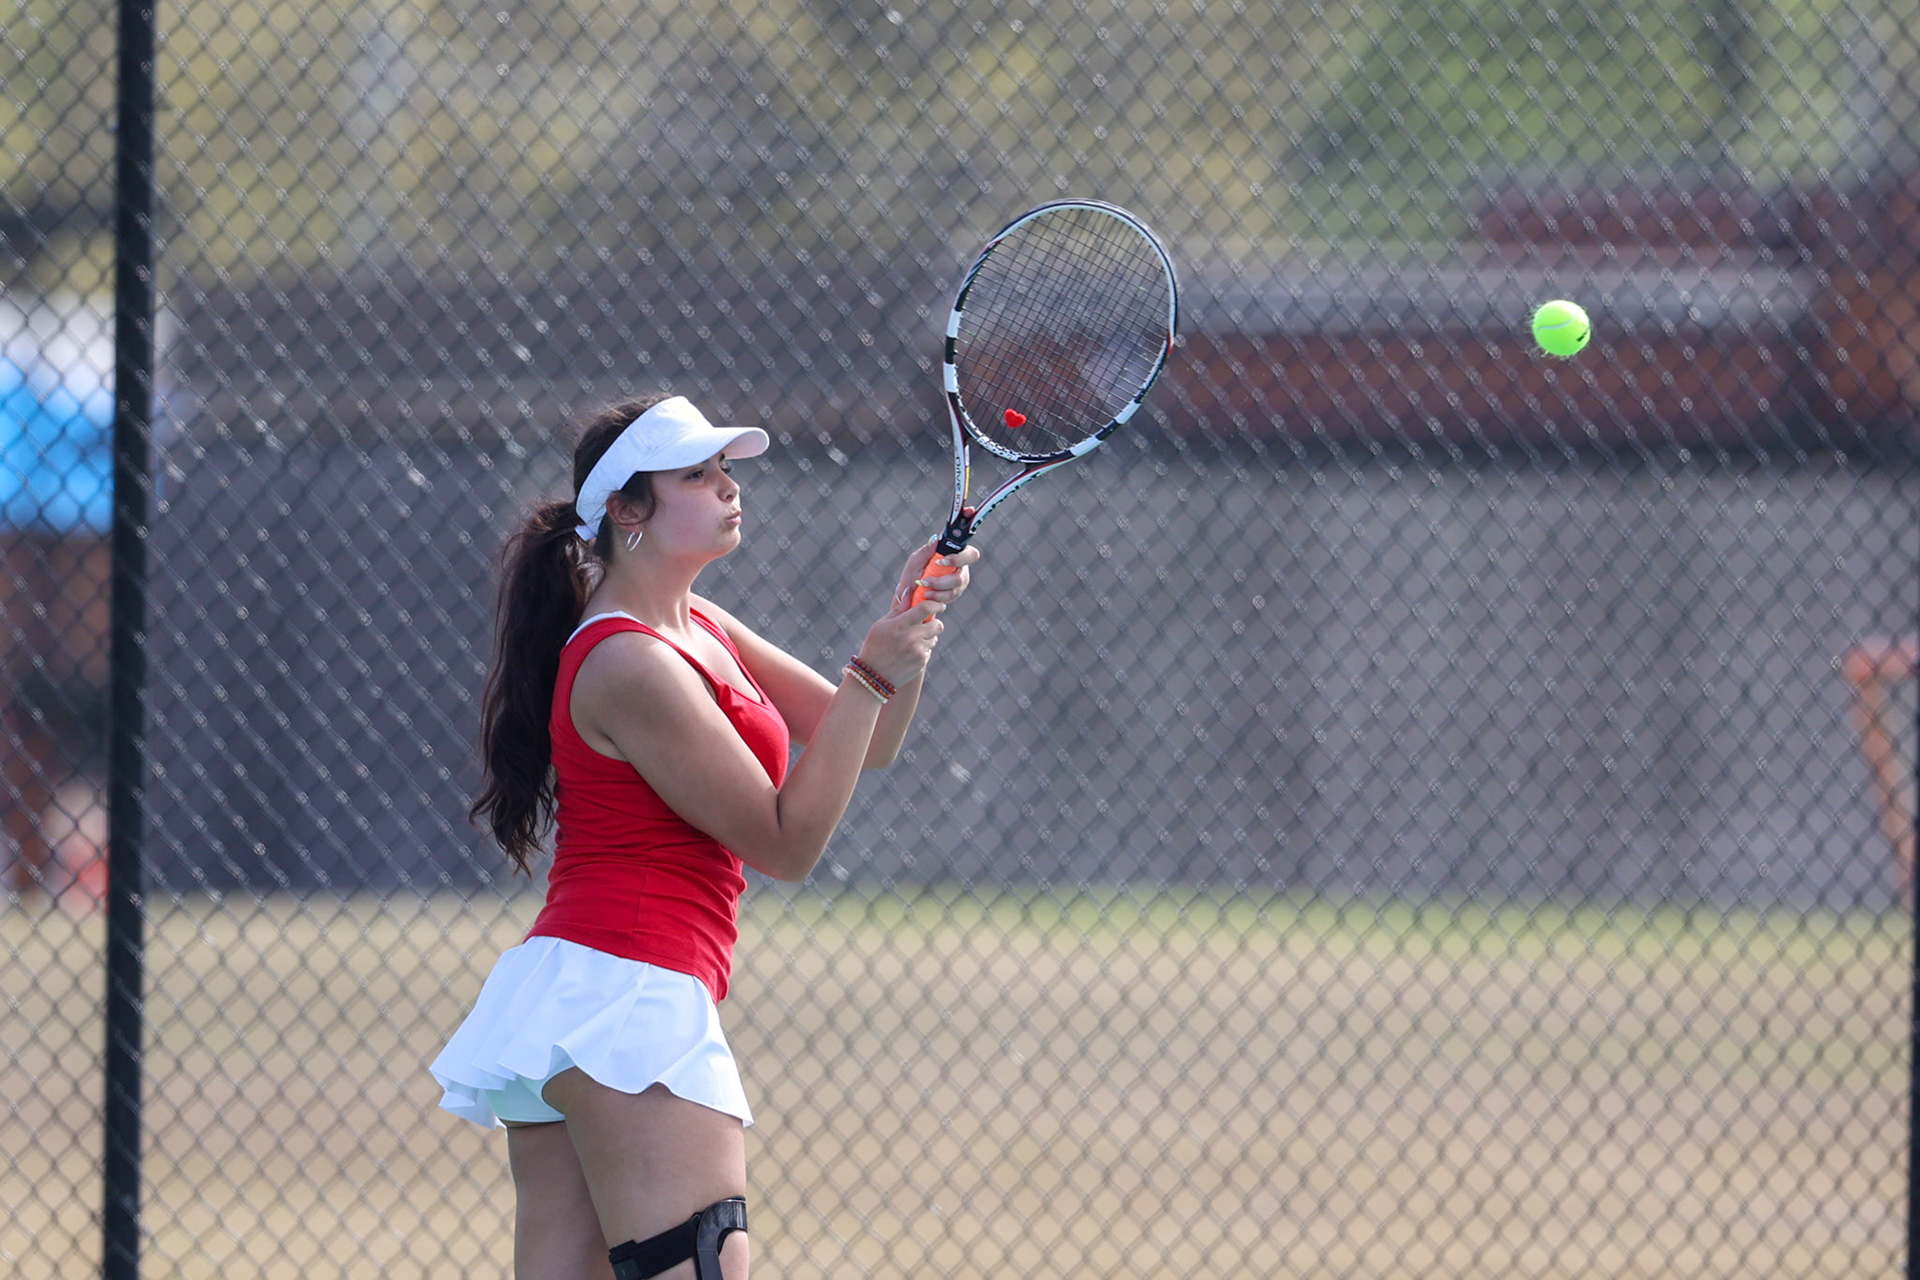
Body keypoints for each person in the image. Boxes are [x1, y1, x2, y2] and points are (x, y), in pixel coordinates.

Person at [430, 391, 978, 1280]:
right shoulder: (630, 660)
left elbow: (865, 740)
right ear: (626, 510)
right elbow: (785, 843)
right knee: (698, 1263)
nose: (729, 488)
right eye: (697, 474)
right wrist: (874, 670)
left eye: (727, 470)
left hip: (589, 992)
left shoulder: (701, 626)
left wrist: (903, 625)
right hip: (625, 999)